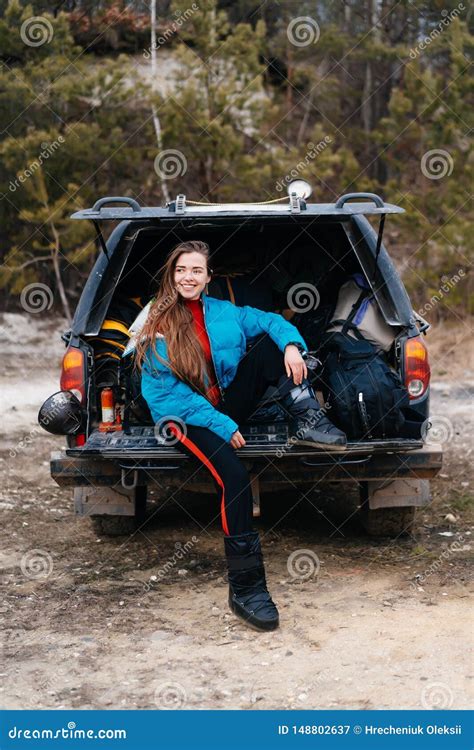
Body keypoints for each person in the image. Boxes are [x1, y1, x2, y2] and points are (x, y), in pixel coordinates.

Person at [135, 241, 346, 631]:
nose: (188, 277)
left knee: (270, 343)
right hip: (184, 418)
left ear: (208, 277)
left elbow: (269, 320)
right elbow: (161, 394)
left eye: (196, 270)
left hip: (223, 406)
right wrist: (221, 424)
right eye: (182, 270)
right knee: (233, 477)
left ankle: (307, 414)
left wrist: (292, 346)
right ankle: (246, 589)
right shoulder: (155, 323)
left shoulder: (223, 312)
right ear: (172, 274)